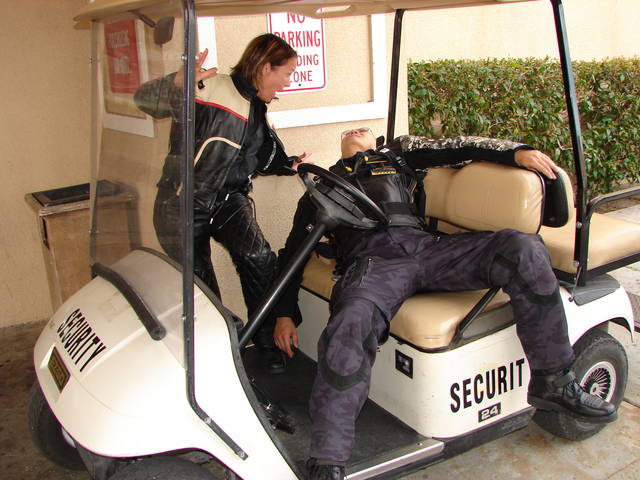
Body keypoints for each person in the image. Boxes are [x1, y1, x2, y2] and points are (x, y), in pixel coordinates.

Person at [272, 127, 617, 480]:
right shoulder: (320, 188)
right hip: (374, 265)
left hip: (427, 248)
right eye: (350, 130)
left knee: (523, 248)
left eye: (364, 129)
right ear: (340, 144)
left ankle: (554, 380)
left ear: (375, 139)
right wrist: (284, 314)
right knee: (350, 321)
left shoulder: (397, 155)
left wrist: (515, 152)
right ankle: (328, 459)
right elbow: (292, 253)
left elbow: (459, 146)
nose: (357, 131)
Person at [134, 34, 309, 374]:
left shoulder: (257, 107)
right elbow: (144, 100)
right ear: (265, 67)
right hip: (182, 202)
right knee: (201, 286)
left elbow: (261, 155)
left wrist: (292, 165)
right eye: (287, 73)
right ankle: (221, 353)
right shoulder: (210, 87)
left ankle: (264, 341)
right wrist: (175, 84)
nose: (288, 82)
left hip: (228, 199)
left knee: (259, 258)